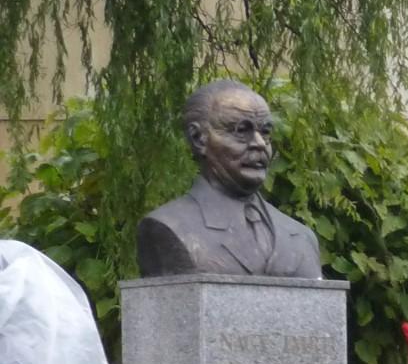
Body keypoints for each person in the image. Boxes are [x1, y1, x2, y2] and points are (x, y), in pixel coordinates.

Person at [136, 80, 322, 278]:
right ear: (198, 138)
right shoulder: (168, 226)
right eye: (241, 131)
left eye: (265, 132)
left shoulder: (301, 237)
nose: (260, 143)